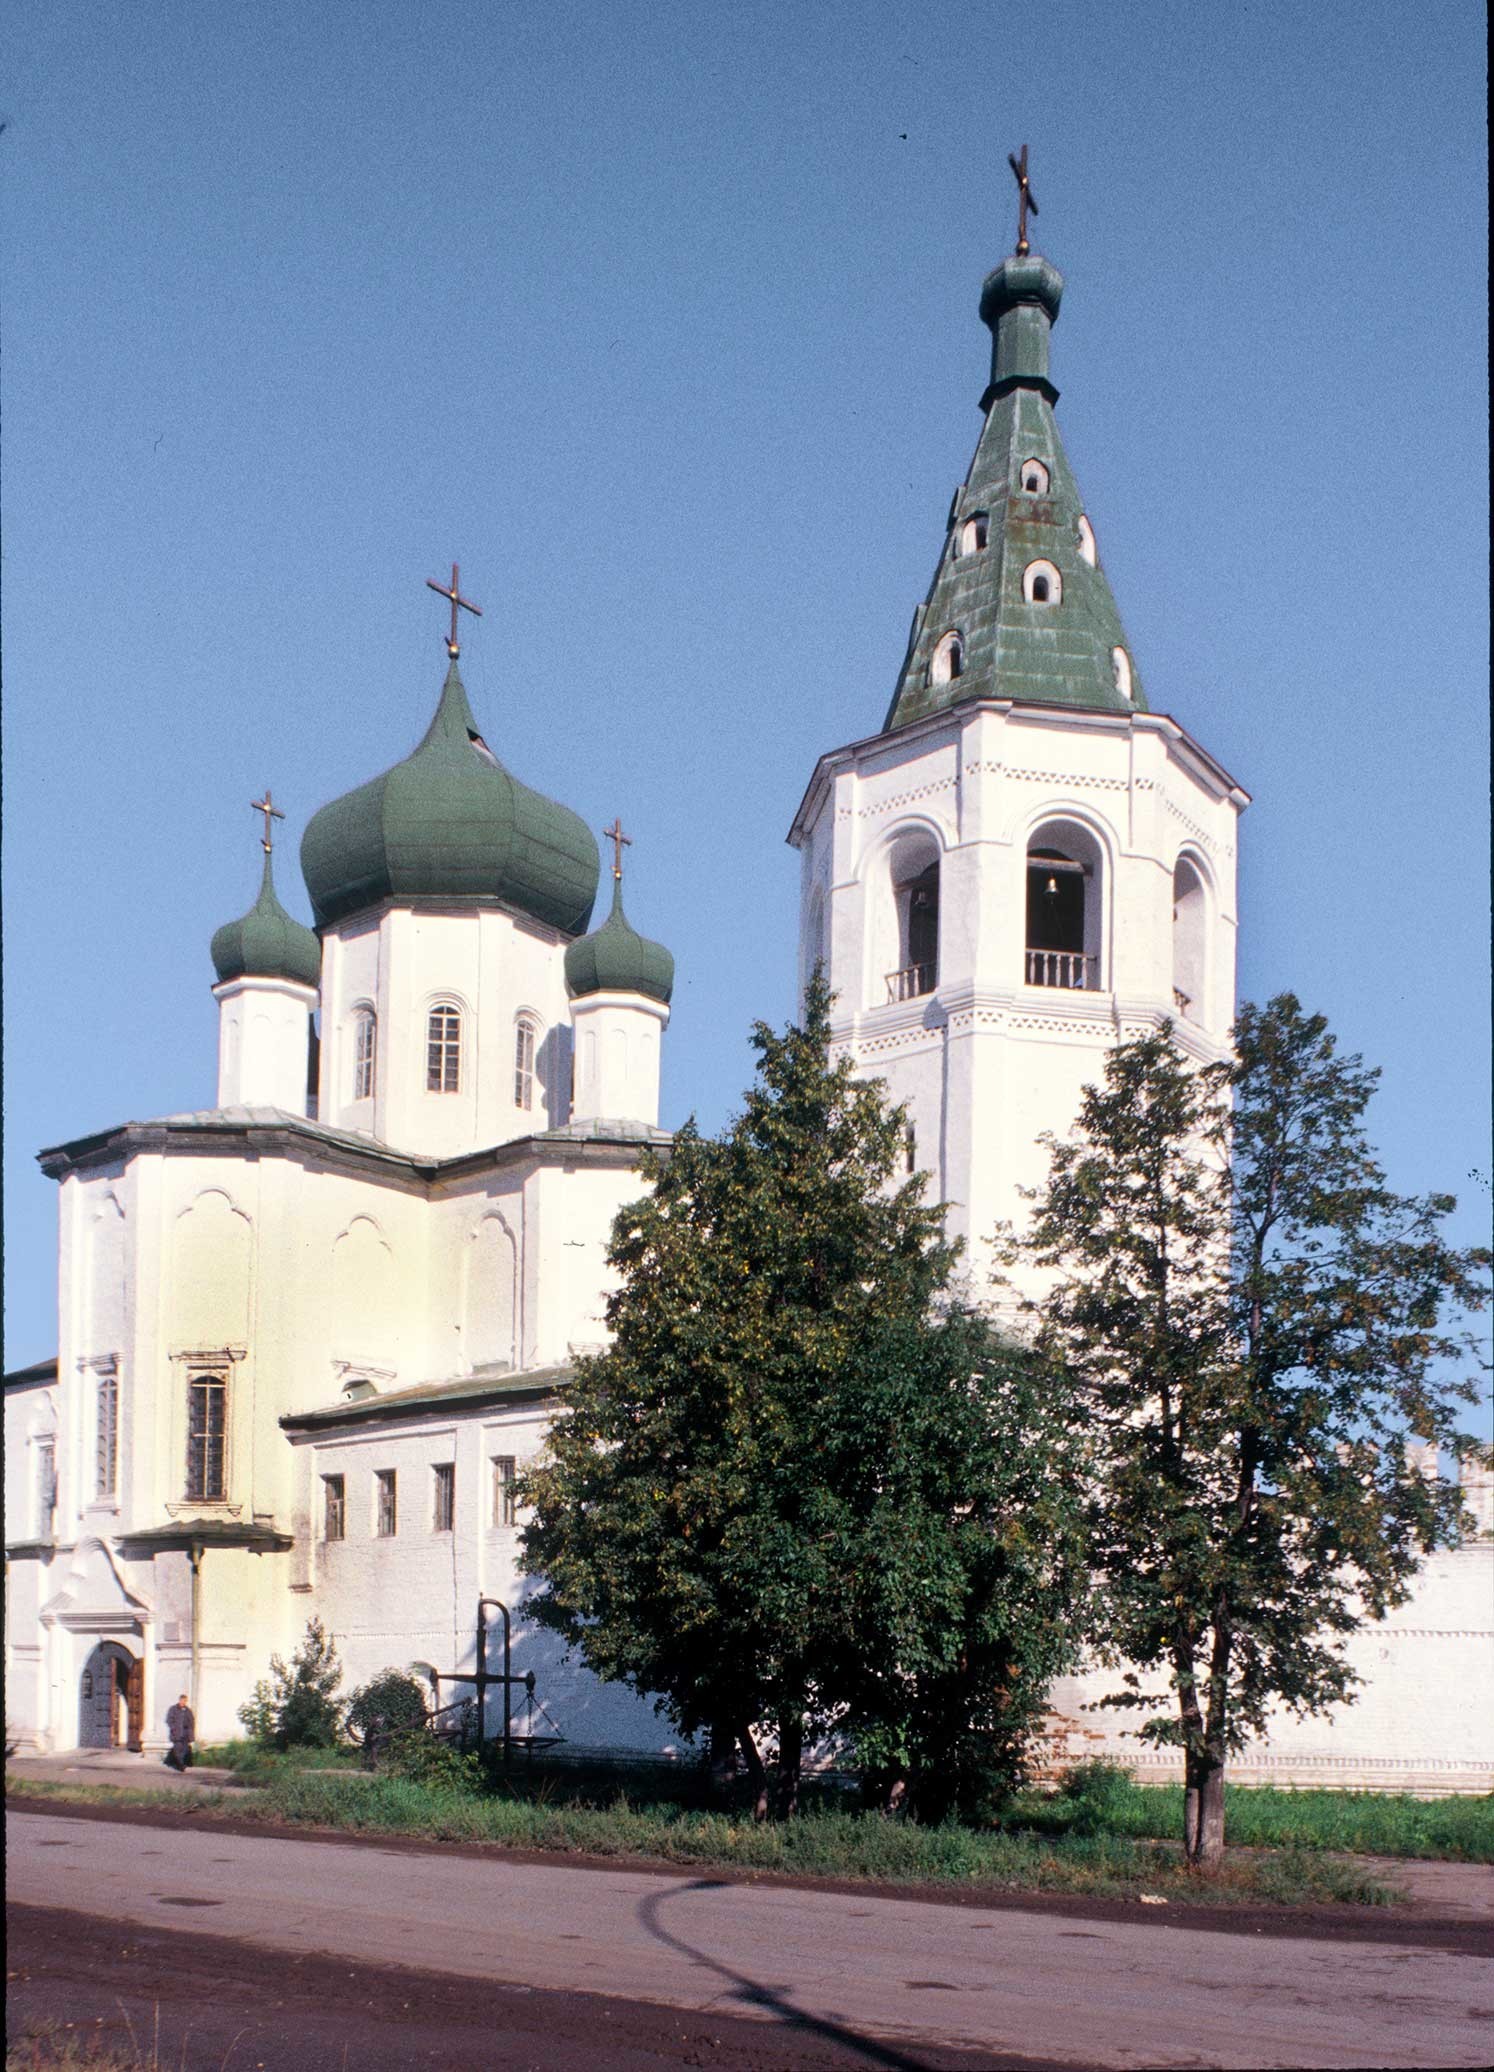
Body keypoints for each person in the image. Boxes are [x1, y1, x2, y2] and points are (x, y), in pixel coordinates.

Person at [164, 1693, 195, 1771]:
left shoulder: (188, 1711)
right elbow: (169, 1720)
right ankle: (180, 1764)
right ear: (180, 1700)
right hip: (176, 1733)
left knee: (184, 1749)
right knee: (178, 1749)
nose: (184, 1702)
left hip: (185, 1733)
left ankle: (180, 1763)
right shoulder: (173, 1709)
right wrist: (173, 1729)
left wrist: (191, 1734)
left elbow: (191, 1722)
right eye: (182, 1700)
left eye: (185, 1701)